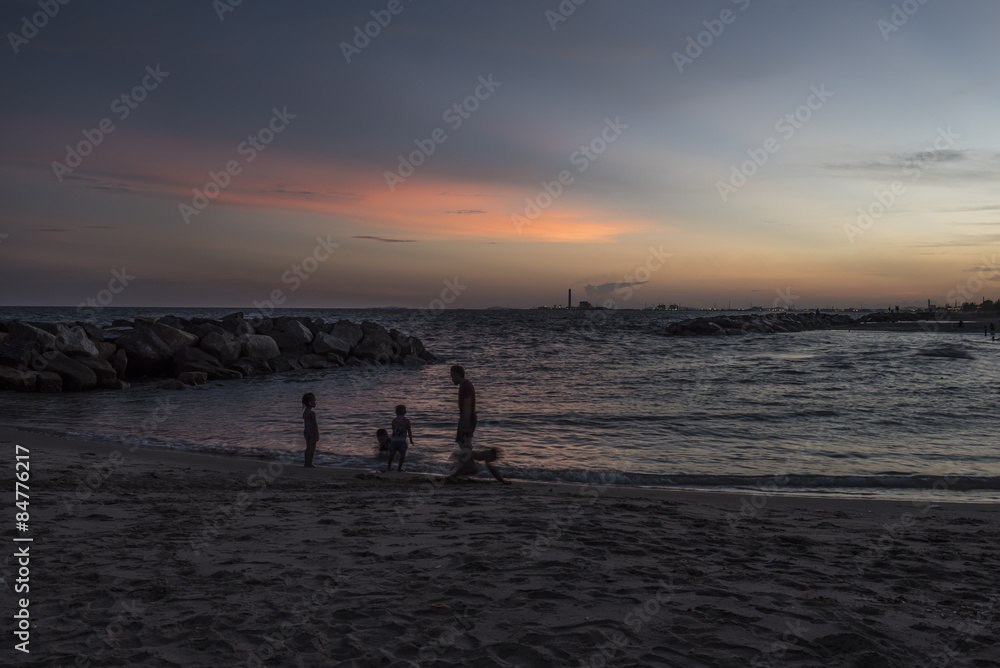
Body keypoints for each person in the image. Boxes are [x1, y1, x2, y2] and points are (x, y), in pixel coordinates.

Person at [445, 365, 509, 484]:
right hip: (466, 419)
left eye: (453, 376)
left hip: (467, 419)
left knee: (468, 458)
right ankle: (461, 471)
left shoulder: (466, 387)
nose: (451, 378)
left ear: (459, 374)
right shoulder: (464, 386)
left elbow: (467, 406)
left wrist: (464, 426)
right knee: (466, 454)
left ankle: (457, 473)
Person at [385, 404, 413, 472]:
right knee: (402, 454)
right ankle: (399, 468)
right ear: (405, 412)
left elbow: (393, 429)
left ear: (396, 412)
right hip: (402, 440)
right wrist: (411, 440)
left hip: (394, 440)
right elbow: (409, 431)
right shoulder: (407, 420)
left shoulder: (394, 420)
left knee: (392, 453)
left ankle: (389, 466)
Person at [301, 393, 319, 468]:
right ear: (310, 402)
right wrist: (317, 434)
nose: (316, 402)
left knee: (308, 447)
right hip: (312, 432)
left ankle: (306, 463)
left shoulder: (305, 412)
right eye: (314, 400)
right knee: (312, 448)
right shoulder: (312, 413)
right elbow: (315, 425)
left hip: (306, 432)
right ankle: (309, 463)